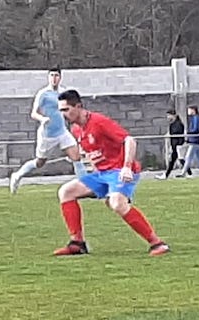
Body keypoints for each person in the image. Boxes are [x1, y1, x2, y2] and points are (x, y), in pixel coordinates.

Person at [52, 89, 170, 257]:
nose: (63, 114)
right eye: (61, 110)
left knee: (117, 204)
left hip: (119, 171)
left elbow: (129, 140)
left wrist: (127, 167)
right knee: (66, 192)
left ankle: (157, 243)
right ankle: (77, 243)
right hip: (103, 174)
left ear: (78, 106)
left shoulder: (98, 121)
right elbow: (92, 153)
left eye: (66, 110)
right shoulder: (76, 129)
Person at [9, 68, 86, 194]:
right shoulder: (43, 94)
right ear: (48, 77)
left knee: (76, 157)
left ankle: (86, 185)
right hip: (48, 135)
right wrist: (42, 119)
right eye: (52, 75)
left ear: (60, 78)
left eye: (56, 75)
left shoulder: (63, 92)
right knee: (40, 163)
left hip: (62, 132)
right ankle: (17, 175)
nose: (54, 78)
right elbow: (33, 113)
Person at [155, 109, 185, 180]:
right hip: (174, 145)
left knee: (180, 159)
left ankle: (189, 173)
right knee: (173, 161)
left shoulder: (178, 124)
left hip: (178, 145)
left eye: (169, 115)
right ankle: (166, 175)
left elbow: (177, 134)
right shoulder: (172, 124)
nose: (168, 117)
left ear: (173, 115)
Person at [177, 106, 199, 177]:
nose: (188, 112)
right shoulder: (195, 118)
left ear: (193, 110)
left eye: (189, 110)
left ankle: (183, 173)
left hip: (195, 140)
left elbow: (195, 129)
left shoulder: (196, 118)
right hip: (194, 140)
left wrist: (188, 133)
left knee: (188, 157)